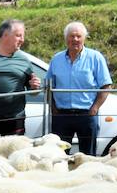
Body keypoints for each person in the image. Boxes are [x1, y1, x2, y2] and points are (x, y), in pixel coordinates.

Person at [45, 21, 113, 155]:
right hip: (62, 115)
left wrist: (95, 108)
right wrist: (53, 107)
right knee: (59, 155)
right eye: (71, 36)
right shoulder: (56, 59)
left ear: (84, 38)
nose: (75, 39)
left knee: (88, 155)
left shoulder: (96, 58)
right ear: (66, 38)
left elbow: (106, 85)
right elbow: (48, 86)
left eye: (78, 36)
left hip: (86, 114)